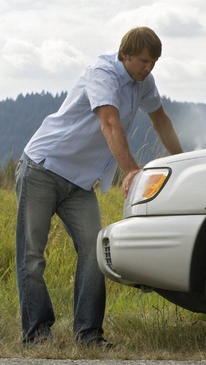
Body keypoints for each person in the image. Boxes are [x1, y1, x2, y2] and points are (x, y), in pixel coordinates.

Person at [14, 27, 184, 348]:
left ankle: (89, 335)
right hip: (43, 168)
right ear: (125, 55)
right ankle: (38, 335)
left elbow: (160, 120)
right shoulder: (102, 73)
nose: (148, 68)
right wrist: (131, 170)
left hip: (79, 183)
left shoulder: (143, 82)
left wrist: (184, 161)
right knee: (32, 257)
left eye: (154, 63)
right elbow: (109, 123)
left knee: (95, 253)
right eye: (144, 61)